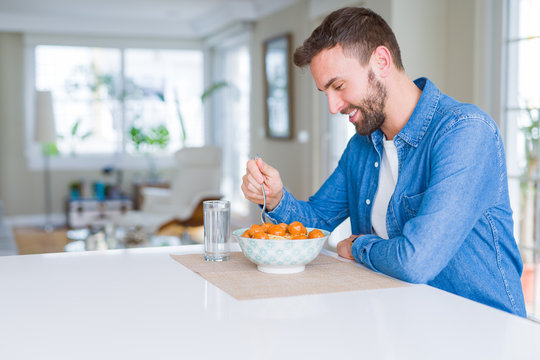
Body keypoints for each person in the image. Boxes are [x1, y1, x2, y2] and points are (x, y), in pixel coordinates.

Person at [241, 7, 526, 317]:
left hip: (482, 333)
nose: (333, 106)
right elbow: (314, 224)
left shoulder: (465, 132)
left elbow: (417, 261)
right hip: (401, 320)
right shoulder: (361, 146)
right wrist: (276, 199)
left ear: (382, 61)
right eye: (325, 92)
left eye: (339, 86)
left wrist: (357, 246)